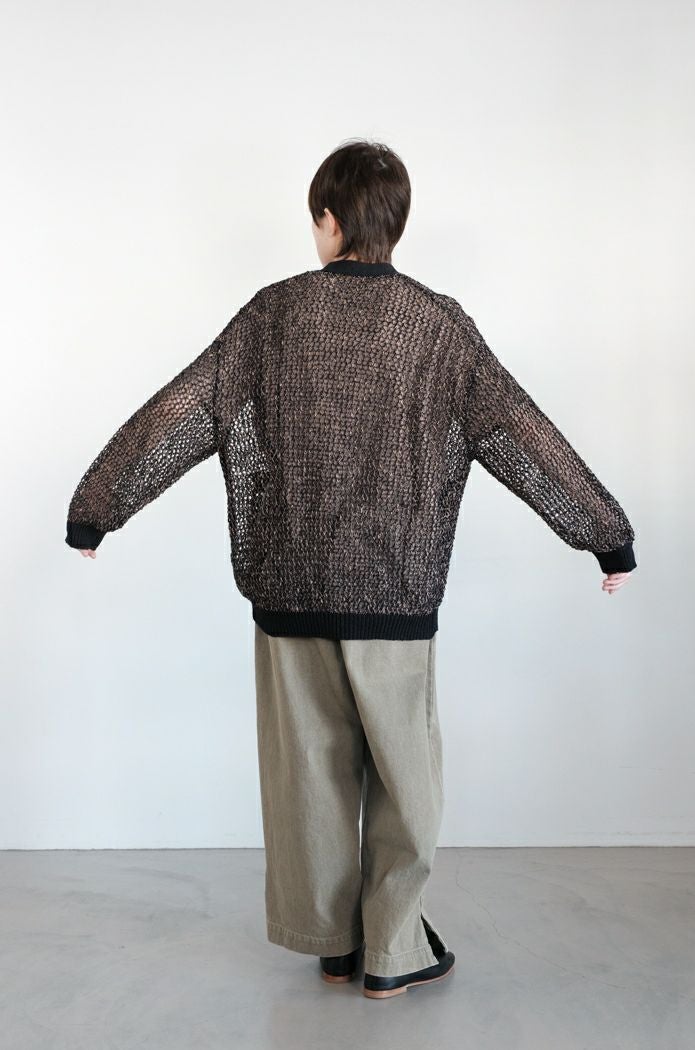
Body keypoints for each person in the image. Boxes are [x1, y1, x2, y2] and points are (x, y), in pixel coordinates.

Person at [65, 138, 637, 1000]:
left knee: (310, 775)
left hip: (290, 590)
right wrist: (602, 534)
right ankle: (391, 952)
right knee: (406, 780)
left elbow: (185, 410)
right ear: (394, 224)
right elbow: (518, 430)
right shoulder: (437, 325)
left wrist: (97, 508)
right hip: (395, 593)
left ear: (328, 221)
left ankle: (332, 941)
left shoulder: (272, 315)